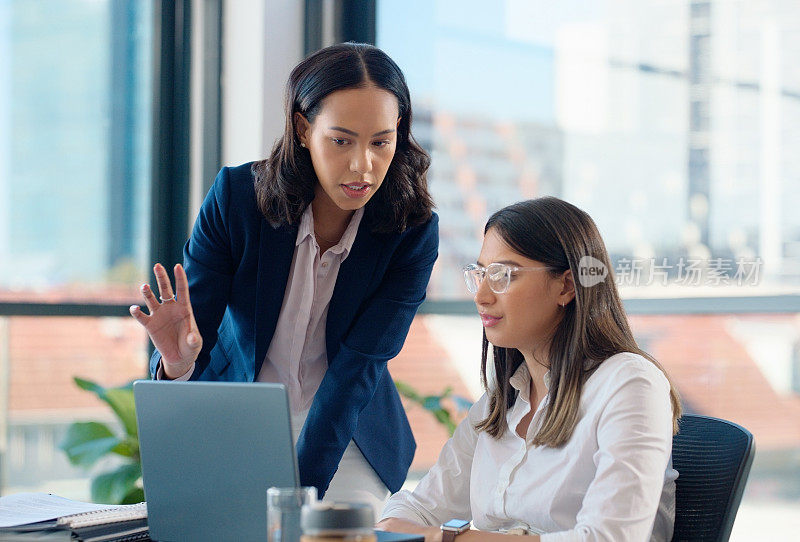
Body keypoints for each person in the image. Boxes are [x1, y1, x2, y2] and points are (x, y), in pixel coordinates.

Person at [129, 42, 438, 510]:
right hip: (237, 420)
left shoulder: (411, 229)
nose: (363, 165)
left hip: (345, 434)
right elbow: (195, 338)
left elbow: (358, 369)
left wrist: (294, 501)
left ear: (399, 131)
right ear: (302, 128)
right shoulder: (237, 199)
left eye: (380, 141)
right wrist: (177, 365)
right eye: (341, 140)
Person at [377, 197, 682, 541]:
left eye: (503, 275)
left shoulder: (630, 384)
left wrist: (447, 539)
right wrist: (393, 527)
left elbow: (610, 537)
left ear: (567, 285)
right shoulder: (500, 401)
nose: (482, 295)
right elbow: (419, 508)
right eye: (480, 274)